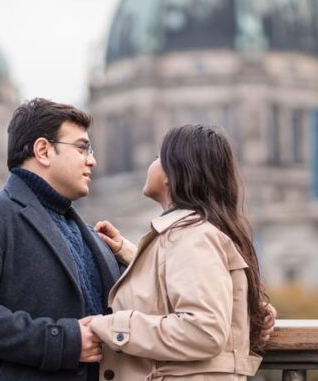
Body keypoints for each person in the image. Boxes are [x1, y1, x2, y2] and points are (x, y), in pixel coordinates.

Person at [0, 98, 116, 381]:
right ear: (43, 150)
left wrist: (131, 255)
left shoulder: (88, 233)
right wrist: (62, 341)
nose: (92, 160)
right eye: (82, 148)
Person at [91, 124, 269, 381]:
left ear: (171, 173)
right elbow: (180, 278)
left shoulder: (191, 236)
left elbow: (204, 331)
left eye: (156, 158)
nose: (150, 164)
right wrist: (129, 252)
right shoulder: (195, 233)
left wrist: (110, 327)